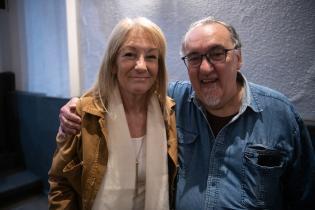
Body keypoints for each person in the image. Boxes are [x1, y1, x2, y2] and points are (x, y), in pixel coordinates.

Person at [58, 16, 315, 209]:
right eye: (193, 57)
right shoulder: (172, 102)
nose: (205, 68)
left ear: (238, 58)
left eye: (217, 53)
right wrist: (78, 103)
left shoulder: (279, 115)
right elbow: (127, 87)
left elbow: (304, 195)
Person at [48, 17, 178, 210]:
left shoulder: (168, 111)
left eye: (151, 57)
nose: (141, 66)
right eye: (130, 55)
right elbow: (60, 184)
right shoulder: (83, 114)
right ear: (113, 64)